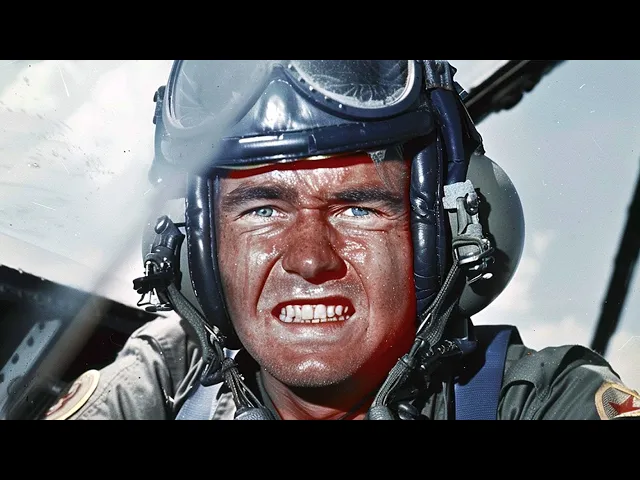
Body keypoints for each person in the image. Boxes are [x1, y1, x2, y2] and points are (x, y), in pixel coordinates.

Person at [43, 60, 640, 420]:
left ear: (453, 233)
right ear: (194, 253)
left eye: (359, 209)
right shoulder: (167, 377)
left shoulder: (539, 400)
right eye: (262, 209)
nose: (309, 258)